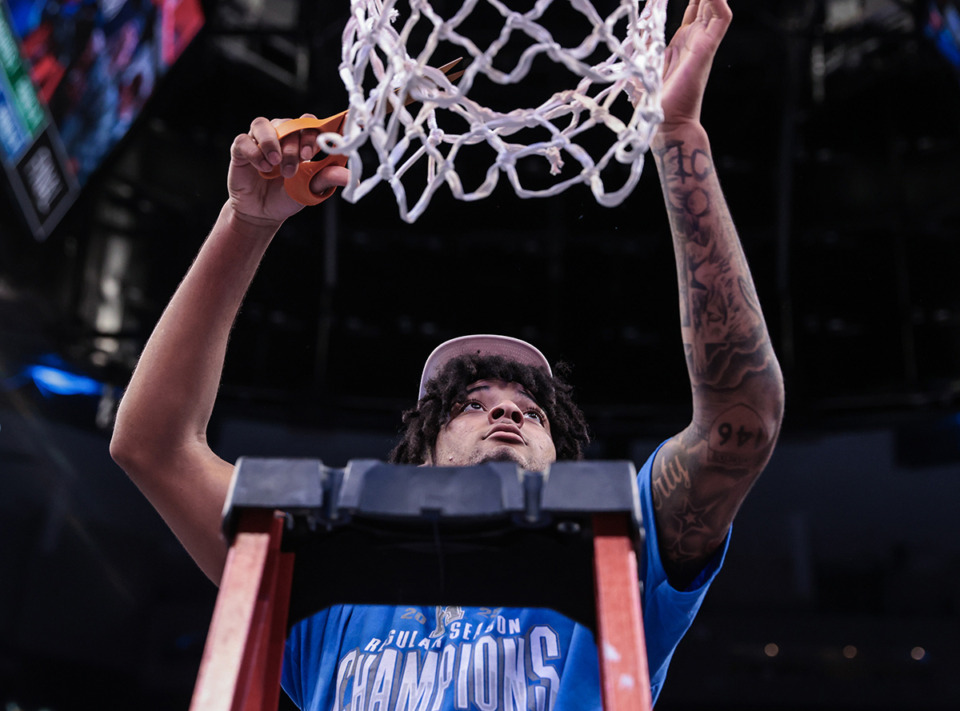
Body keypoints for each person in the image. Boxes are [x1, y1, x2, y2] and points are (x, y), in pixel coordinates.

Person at [110, 0, 784, 708]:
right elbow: (151, 444)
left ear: (561, 464)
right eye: (471, 404)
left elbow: (744, 420)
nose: (507, 413)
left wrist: (679, 139)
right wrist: (245, 222)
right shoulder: (332, 602)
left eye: (531, 410)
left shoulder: (616, 559)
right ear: (420, 457)